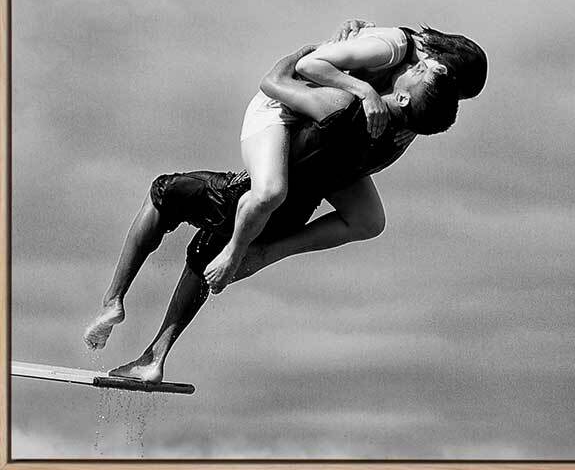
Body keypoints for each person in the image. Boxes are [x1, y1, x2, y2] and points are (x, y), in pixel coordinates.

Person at [83, 40, 461, 383]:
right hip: (290, 219)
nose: (413, 66)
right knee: (202, 256)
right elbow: (366, 215)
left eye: (418, 72)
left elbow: (273, 82)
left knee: (162, 193)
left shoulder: (341, 105)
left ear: (405, 98)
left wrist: (306, 52)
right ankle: (155, 358)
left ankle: (113, 301)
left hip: (243, 199)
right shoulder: (393, 143)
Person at [203, 21, 487, 294]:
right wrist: (366, 92)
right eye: (452, 91)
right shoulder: (393, 47)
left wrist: (415, 124)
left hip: (326, 125)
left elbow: (418, 103)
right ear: (443, 65)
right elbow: (305, 66)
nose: (446, 96)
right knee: (271, 192)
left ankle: (270, 252)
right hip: (286, 100)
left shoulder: (416, 72)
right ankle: (233, 250)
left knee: (370, 221)